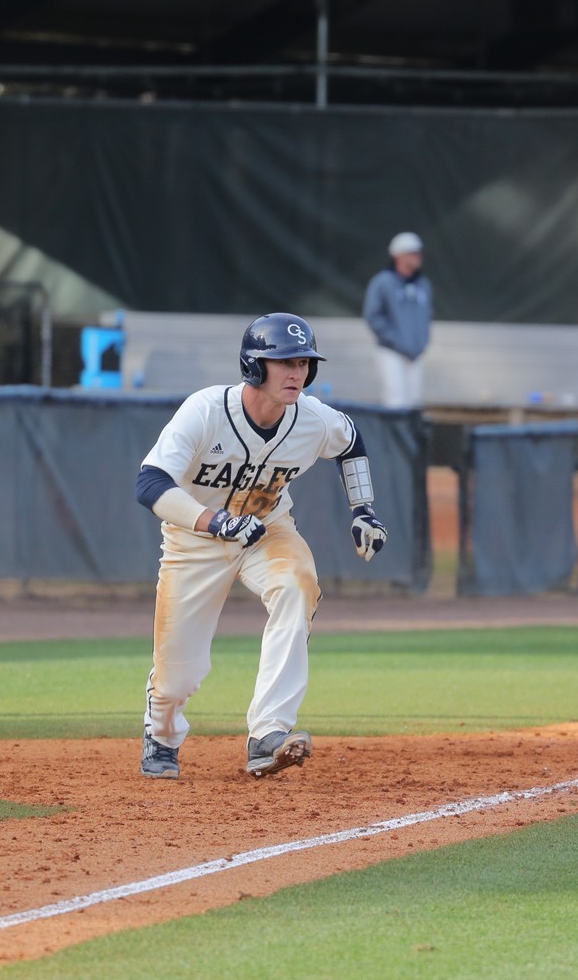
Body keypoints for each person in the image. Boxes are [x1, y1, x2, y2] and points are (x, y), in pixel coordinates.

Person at [133, 312, 388, 780]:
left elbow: (350, 441)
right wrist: (216, 521)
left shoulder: (311, 418)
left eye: (304, 362)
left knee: (297, 586)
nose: (297, 373)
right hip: (194, 540)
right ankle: (162, 734)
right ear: (254, 366)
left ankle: (268, 733)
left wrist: (363, 509)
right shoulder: (206, 411)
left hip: (267, 530)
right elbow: (150, 484)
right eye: (284, 362)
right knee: (178, 677)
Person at [362, 231, 432, 408]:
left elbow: (426, 317)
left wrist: (421, 343)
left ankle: (409, 436)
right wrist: (397, 342)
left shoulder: (423, 284)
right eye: (412, 253)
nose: (417, 257)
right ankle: (393, 436)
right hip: (390, 351)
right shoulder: (382, 282)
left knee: (413, 401)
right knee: (394, 400)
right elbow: (373, 316)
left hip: (415, 354)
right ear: (399, 256)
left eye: (418, 253)